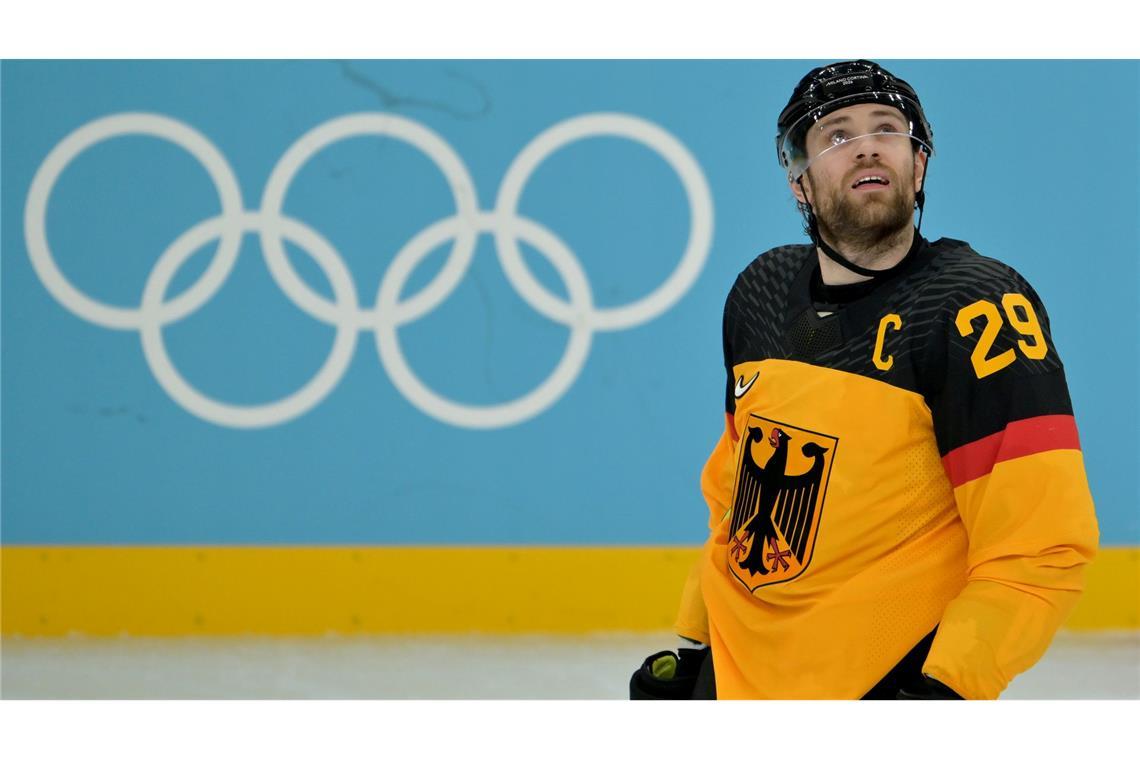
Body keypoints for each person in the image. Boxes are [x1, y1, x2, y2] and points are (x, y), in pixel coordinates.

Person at [630, 60, 1099, 700]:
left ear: (919, 165)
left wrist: (947, 690)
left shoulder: (972, 309)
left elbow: (1040, 547)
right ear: (799, 182)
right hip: (736, 682)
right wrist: (700, 643)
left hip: (874, 688)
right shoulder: (761, 291)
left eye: (888, 128)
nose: (869, 144)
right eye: (837, 135)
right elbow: (738, 494)